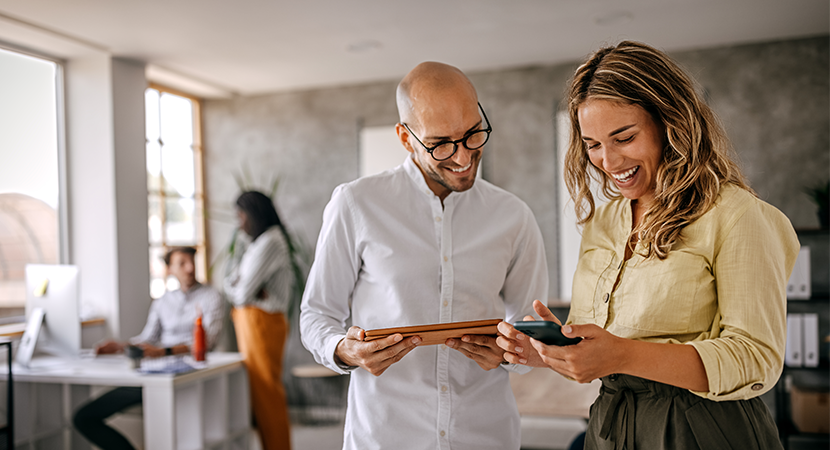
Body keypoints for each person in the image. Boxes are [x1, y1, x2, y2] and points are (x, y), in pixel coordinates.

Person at [497, 41, 800, 449]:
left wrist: (623, 355)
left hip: (704, 429)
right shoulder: (603, 222)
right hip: (611, 426)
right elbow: (603, 349)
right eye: (592, 144)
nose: (608, 161)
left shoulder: (735, 214)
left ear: (670, 123)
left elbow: (754, 358)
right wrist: (550, 352)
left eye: (623, 137)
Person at [300, 61, 549, 450]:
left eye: (473, 134)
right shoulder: (356, 204)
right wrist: (345, 350)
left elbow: (530, 328)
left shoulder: (513, 216)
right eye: (441, 144)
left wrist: (512, 351)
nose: (464, 157)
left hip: (486, 435)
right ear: (405, 137)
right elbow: (317, 314)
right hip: (385, 436)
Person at [73, 246, 224, 450]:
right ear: (170, 269)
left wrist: (164, 352)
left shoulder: (212, 297)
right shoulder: (163, 301)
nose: (189, 268)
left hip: (189, 377)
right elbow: (148, 339)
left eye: (192, 262)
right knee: (84, 418)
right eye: (182, 263)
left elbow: (207, 343)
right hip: (155, 375)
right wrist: (120, 346)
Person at [224, 190, 293, 450]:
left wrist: (241, 288)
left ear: (253, 213)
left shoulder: (271, 241)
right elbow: (231, 281)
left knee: (267, 394)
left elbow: (240, 293)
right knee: (260, 394)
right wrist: (241, 287)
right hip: (253, 322)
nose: (238, 222)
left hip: (262, 323)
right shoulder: (256, 243)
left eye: (241, 214)